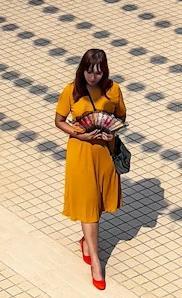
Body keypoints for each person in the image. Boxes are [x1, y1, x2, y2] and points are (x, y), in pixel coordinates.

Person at [54, 48, 127, 290]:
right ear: (82, 69)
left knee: (99, 202)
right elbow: (59, 121)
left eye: (97, 72)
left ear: (104, 71)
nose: (92, 77)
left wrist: (109, 132)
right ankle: (96, 261)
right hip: (81, 152)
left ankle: (87, 240)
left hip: (105, 153)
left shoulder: (113, 90)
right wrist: (80, 135)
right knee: (88, 206)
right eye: (88, 71)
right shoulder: (71, 91)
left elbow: (120, 118)